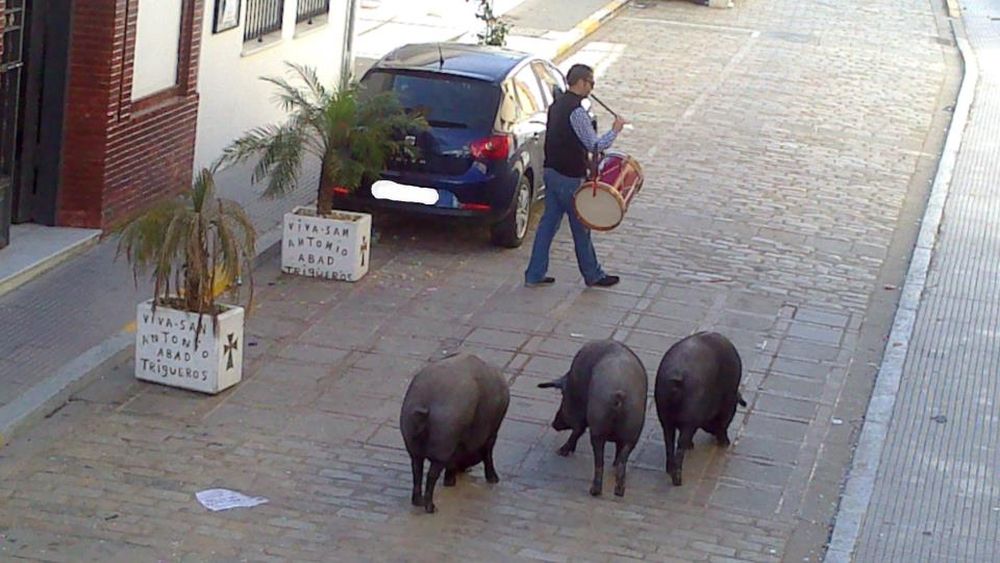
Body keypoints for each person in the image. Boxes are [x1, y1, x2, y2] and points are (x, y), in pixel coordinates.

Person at [524, 64, 626, 288]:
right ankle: (593, 274)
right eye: (591, 82)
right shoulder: (577, 112)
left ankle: (534, 273)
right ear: (580, 82)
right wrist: (615, 130)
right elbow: (595, 145)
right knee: (582, 227)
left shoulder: (556, 105)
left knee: (547, 226)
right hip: (569, 177)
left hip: (551, 171)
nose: (592, 87)